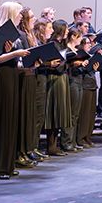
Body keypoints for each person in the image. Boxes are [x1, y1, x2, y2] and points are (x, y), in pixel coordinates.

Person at [0, 2, 29, 180]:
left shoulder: (15, 34)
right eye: (18, 14)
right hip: (0, 78)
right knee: (1, 121)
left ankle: (7, 165)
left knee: (10, 121)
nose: (21, 18)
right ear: (10, 14)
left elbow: (13, 59)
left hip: (11, 76)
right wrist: (15, 54)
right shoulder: (0, 31)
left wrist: (25, 62)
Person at [14, 7, 40, 166]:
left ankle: (27, 149)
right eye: (31, 17)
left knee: (29, 116)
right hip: (23, 77)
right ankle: (21, 152)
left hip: (31, 76)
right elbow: (22, 57)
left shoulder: (30, 34)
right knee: (23, 116)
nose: (34, 19)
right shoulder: (21, 35)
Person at [42, 20, 72, 156]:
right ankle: (51, 146)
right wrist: (65, 63)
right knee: (54, 112)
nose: (67, 32)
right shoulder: (53, 44)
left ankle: (54, 145)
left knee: (60, 112)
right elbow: (57, 65)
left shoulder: (61, 45)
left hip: (62, 79)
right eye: (65, 29)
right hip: (55, 80)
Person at [61, 28, 87, 152]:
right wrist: (75, 64)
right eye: (79, 37)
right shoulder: (66, 50)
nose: (81, 39)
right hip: (71, 81)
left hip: (79, 80)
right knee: (70, 113)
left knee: (76, 114)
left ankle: (73, 140)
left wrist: (84, 64)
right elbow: (66, 66)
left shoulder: (79, 51)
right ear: (73, 37)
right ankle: (66, 141)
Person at [76, 35, 102, 148]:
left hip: (92, 85)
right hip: (85, 86)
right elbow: (78, 70)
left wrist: (96, 67)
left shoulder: (90, 56)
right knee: (84, 114)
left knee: (91, 113)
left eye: (90, 43)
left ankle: (88, 136)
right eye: (87, 43)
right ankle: (81, 138)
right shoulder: (80, 56)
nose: (89, 45)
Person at [30, 18, 53, 160]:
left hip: (43, 79)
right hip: (37, 79)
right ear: (42, 28)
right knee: (36, 115)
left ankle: (35, 146)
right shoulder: (36, 42)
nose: (51, 30)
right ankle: (31, 146)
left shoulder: (43, 43)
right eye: (49, 27)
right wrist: (49, 63)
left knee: (40, 116)